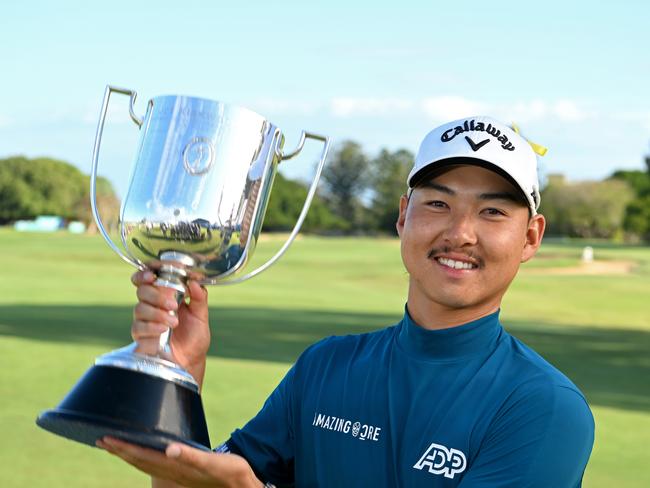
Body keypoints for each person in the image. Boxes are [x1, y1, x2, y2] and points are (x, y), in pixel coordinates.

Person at [97, 116, 595, 487]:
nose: (460, 234)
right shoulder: (326, 365)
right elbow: (199, 483)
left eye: (491, 212)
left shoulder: (544, 407)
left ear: (530, 238)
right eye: (438, 204)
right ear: (404, 216)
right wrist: (181, 375)